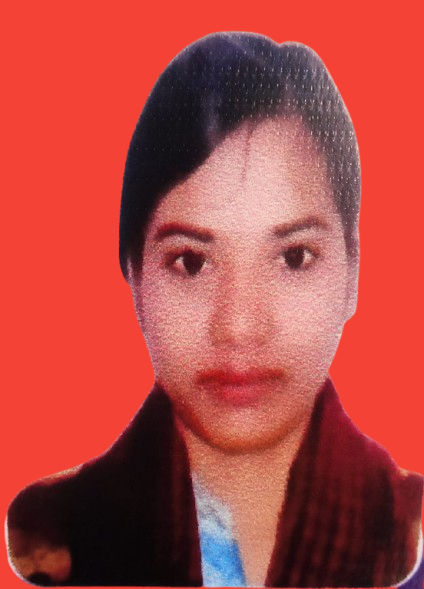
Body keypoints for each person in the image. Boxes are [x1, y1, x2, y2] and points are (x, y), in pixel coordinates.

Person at [6, 33, 423, 587]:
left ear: (353, 272)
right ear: (133, 272)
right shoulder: (52, 539)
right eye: (191, 262)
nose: (239, 326)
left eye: (294, 257)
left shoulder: (408, 531)